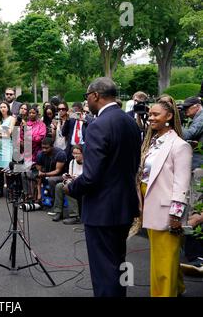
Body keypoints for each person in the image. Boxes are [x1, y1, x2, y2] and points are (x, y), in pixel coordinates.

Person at [64, 77, 141, 297]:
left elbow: (90, 177)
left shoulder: (98, 125)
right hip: (124, 206)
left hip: (102, 211)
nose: (86, 101)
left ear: (96, 95)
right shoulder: (130, 122)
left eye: (86, 96)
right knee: (118, 264)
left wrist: (71, 187)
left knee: (104, 271)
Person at [138, 96, 192, 297]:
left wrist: (176, 215)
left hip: (166, 211)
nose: (150, 118)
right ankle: (177, 289)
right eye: (149, 114)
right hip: (150, 206)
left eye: (155, 114)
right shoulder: (154, 142)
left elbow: (182, 184)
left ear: (169, 116)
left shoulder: (179, 146)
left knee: (163, 262)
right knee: (164, 257)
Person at [50, 144, 83, 224]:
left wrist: (73, 179)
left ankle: (75, 216)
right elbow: (70, 175)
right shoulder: (72, 162)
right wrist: (67, 177)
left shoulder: (87, 163)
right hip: (73, 182)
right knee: (59, 186)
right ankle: (58, 212)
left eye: (77, 153)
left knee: (69, 187)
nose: (75, 155)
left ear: (82, 153)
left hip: (82, 184)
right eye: (73, 153)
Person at [34, 137, 66, 203]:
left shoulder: (60, 154)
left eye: (46, 148)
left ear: (52, 147)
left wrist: (44, 174)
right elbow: (39, 173)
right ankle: (35, 197)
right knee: (29, 174)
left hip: (61, 175)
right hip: (46, 174)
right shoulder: (40, 154)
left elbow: (57, 171)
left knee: (51, 180)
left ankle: (55, 201)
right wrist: (39, 194)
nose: (44, 150)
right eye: (43, 148)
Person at [0, 102, 16, 197]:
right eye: (1, 107)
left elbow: (9, 133)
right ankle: (0, 190)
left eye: (4, 107)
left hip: (7, 145)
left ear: (8, 108)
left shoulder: (12, 118)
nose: (2, 108)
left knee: (8, 169)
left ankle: (10, 190)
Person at [182, 96, 203, 170]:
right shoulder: (198, 117)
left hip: (199, 161)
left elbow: (187, 135)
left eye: (187, 107)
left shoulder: (201, 117)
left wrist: (177, 122)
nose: (185, 110)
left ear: (197, 106)